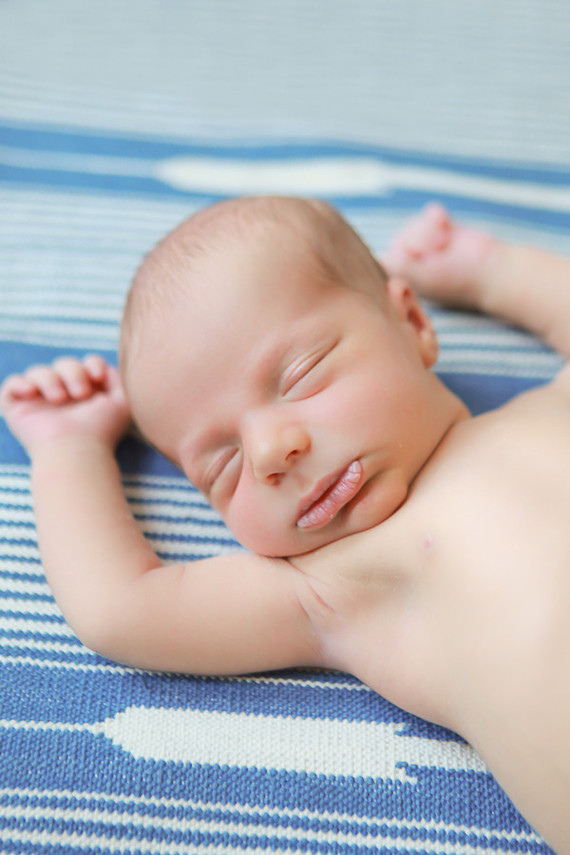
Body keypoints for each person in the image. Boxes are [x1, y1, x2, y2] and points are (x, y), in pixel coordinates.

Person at [2, 197, 570, 853]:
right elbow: (119, 608)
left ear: (413, 321)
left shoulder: (551, 406)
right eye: (224, 466)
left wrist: (493, 272)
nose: (270, 453)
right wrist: (69, 449)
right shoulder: (333, 587)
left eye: (300, 377)